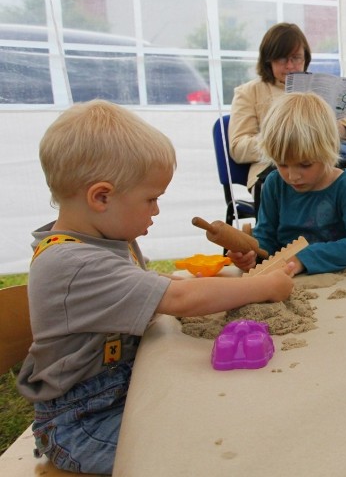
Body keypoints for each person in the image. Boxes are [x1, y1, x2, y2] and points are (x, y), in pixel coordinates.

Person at [16, 100, 294, 474]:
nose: (156, 211)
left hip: (121, 390)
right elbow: (178, 298)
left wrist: (234, 273)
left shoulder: (103, 238)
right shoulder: (71, 263)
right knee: (193, 455)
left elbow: (156, 284)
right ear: (101, 197)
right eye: (151, 199)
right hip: (83, 421)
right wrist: (265, 287)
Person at [229, 22, 346, 253]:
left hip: (332, 167)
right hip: (273, 173)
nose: (289, 66)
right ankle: (303, 264)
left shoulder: (320, 86)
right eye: (281, 59)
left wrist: (330, 130)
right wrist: (287, 140)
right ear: (268, 60)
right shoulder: (250, 92)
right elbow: (237, 147)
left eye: (296, 58)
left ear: (306, 57)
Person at [228, 92, 346, 275]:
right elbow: (266, 238)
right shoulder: (274, 184)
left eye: (305, 165)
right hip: (286, 279)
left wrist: (303, 258)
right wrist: (252, 255)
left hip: (339, 278)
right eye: (282, 164)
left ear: (328, 149)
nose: (292, 176)